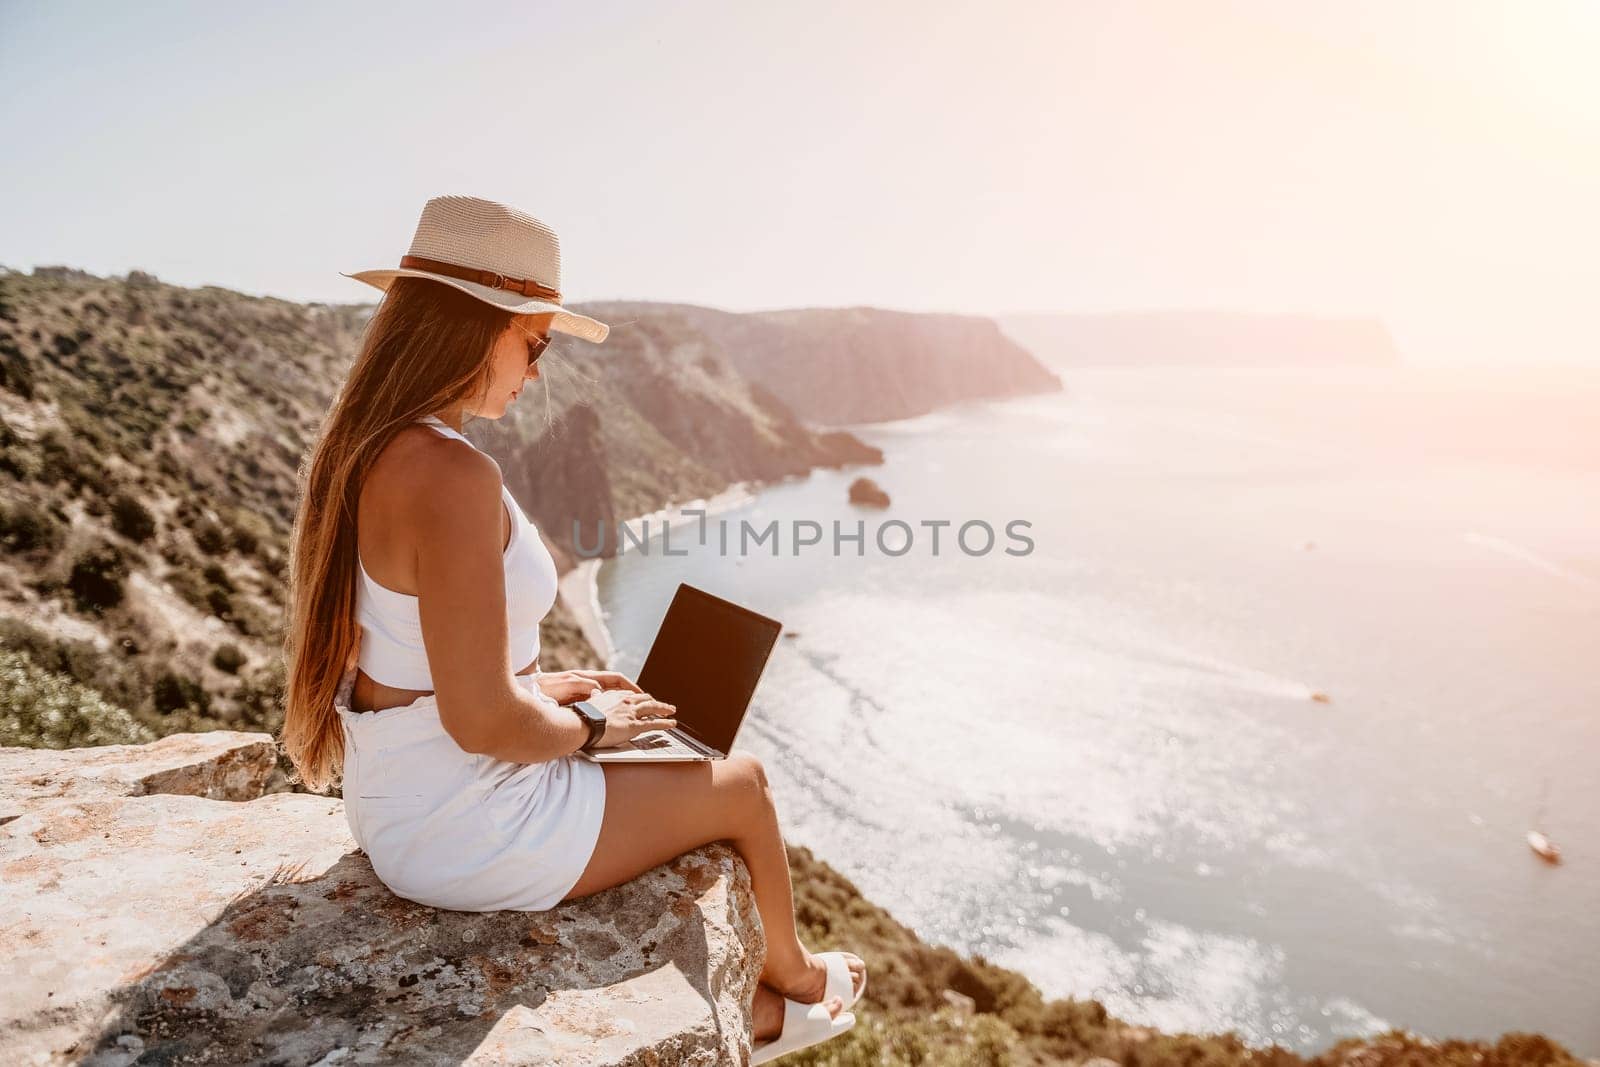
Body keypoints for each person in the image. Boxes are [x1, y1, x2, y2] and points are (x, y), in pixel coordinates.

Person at [280, 195, 865, 1060]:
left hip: (401, 806)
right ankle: (799, 988)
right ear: (481, 328)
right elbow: (481, 724)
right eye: (536, 341)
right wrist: (592, 726)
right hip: (467, 825)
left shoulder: (376, 447)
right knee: (742, 786)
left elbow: (411, 661)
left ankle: (775, 996)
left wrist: (547, 688)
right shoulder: (451, 474)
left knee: (682, 756)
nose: (538, 369)